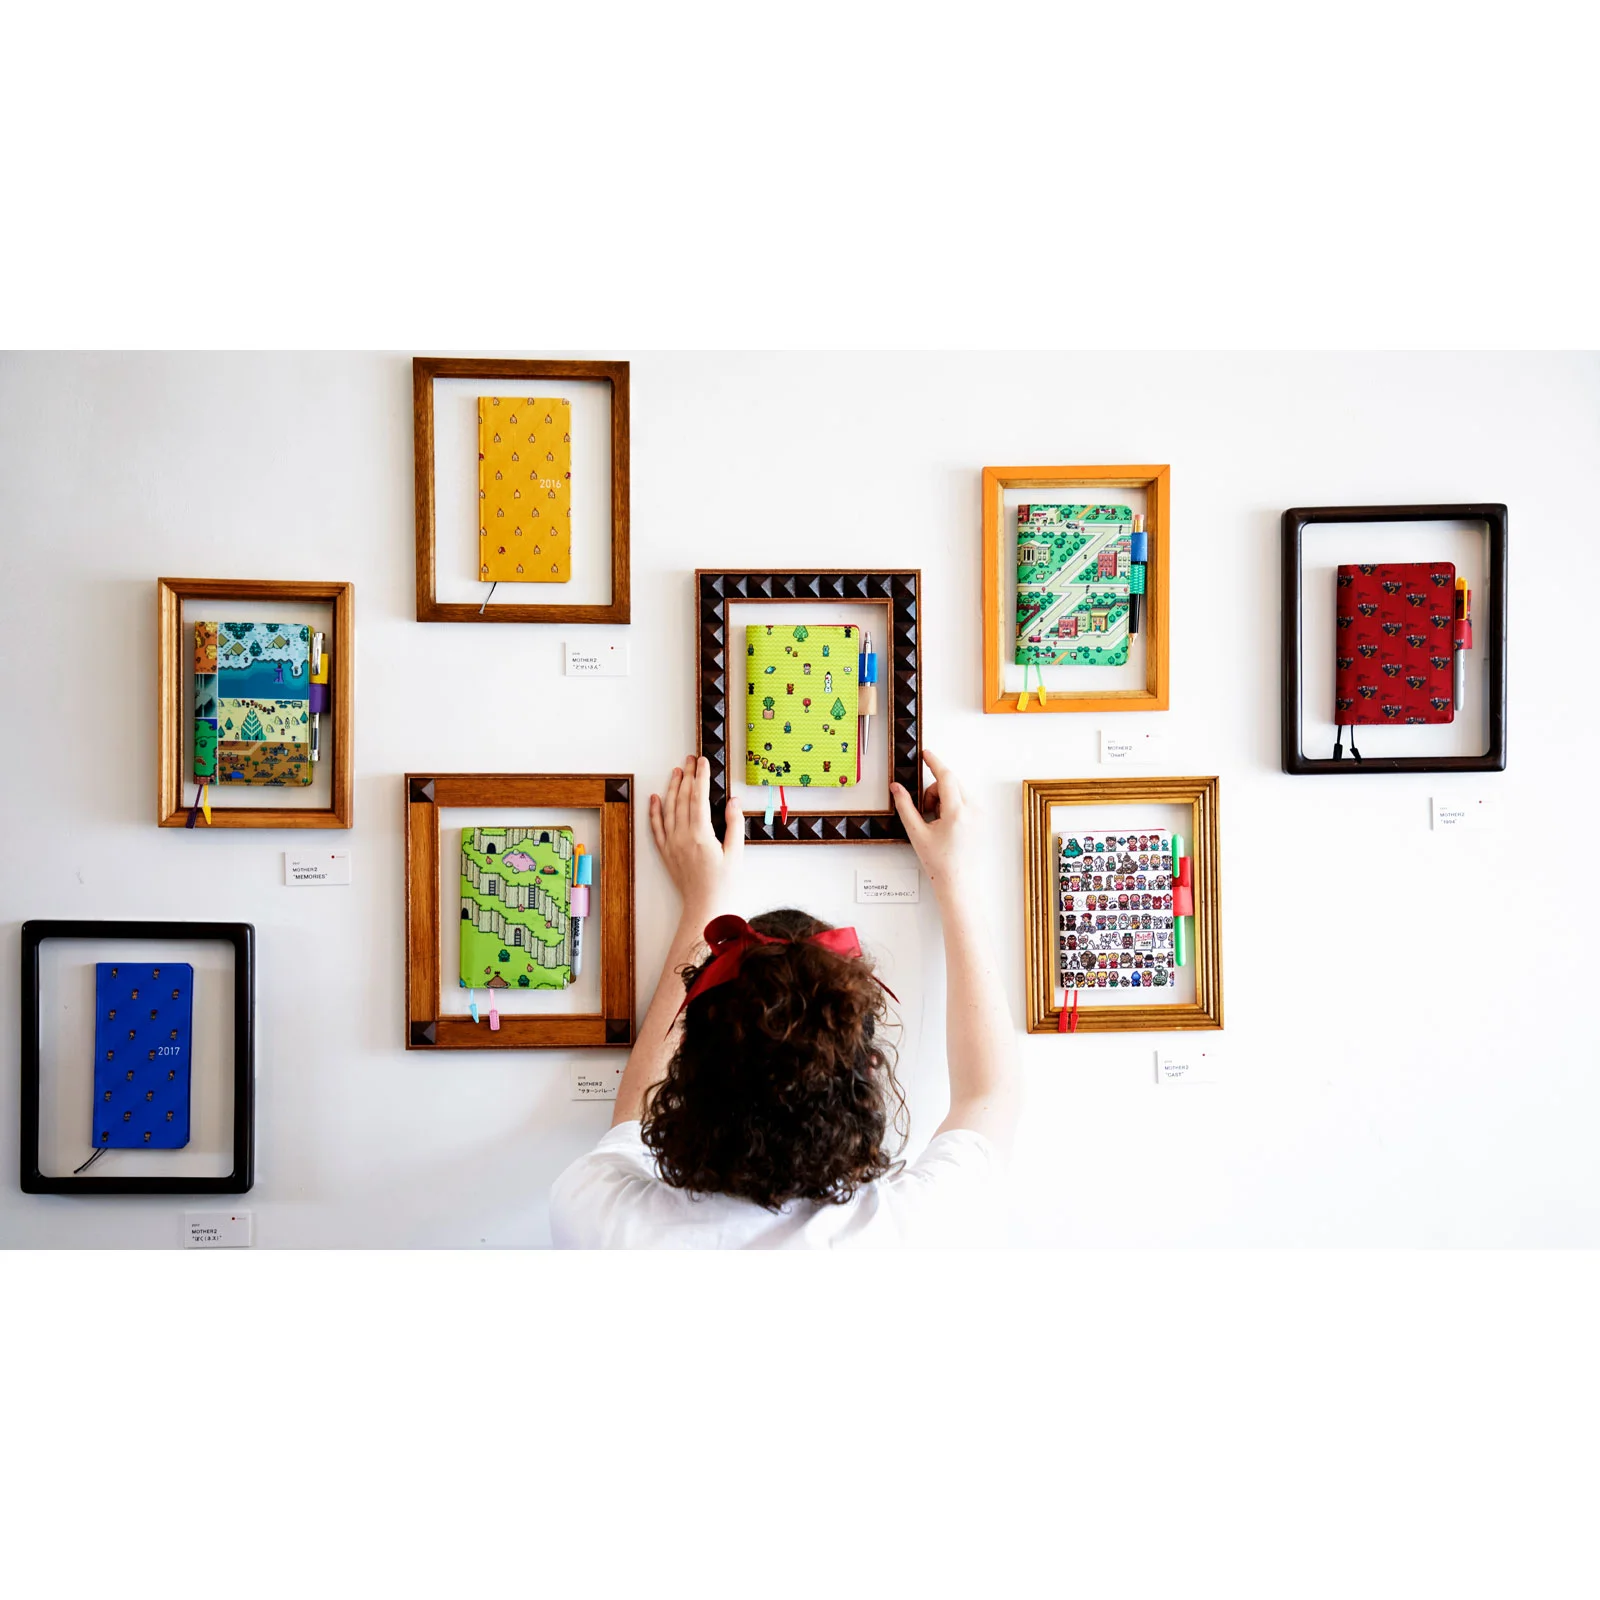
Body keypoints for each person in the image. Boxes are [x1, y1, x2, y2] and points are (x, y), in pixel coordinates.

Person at [549, 751, 1017, 1248]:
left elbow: (630, 1124)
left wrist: (703, 904)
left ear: (687, 1065)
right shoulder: (918, 1228)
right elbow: (988, 1094)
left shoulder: (600, 1214)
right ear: (868, 1069)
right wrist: (953, 875)